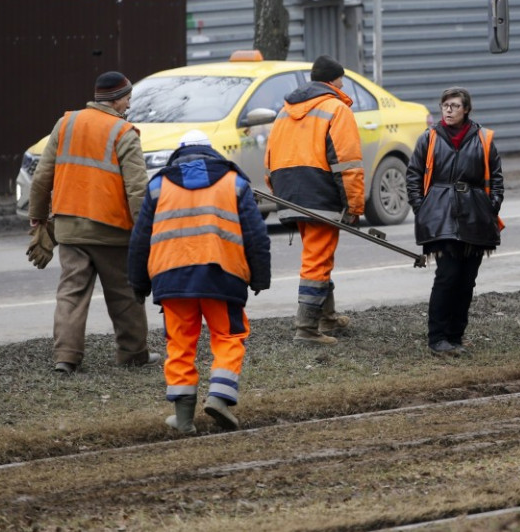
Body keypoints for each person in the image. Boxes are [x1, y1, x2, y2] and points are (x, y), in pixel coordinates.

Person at [128, 130, 272, 433]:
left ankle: (182, 419)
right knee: (228, 338)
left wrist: (139, 283)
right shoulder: (234, 182)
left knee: (179, 344)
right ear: (213, 153)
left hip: (172, 279)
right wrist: (260, 277)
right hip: (223, 276)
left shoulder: (158, 185)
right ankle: (219, 398)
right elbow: (256, 235)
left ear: (178, 154)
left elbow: (140, 239)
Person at [28, 71, 158, 374]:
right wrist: (143, 232)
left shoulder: (66, 124)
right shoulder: (124, 132)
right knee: (125, 293)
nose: (128, 104)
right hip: (112, 230)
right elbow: (137, 189)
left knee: (71, 293)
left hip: (70, 228)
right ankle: (132, 353)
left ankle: (66, 358)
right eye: (127, 97)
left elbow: (42, 176)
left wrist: (37, 217)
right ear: (116, 100)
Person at [265, 55, 364, 345]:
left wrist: (279, 193)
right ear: (334, 81)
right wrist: (355, 206)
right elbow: (347, 164)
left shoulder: (284, 112)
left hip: (290, 193)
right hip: (321, 191)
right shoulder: (336, 109)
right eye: (342, 80)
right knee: (317, 260)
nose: (343, 85)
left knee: (317, 254)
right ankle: (306, 329)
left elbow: (269, 159)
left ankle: (327, 317)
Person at [405, 87, 503, 356]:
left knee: (467, 279)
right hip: (440, 217)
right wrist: (421, 207)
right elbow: (413, 175)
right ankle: (437, 338)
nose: (449, 110)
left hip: (476, 217)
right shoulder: (429, 138)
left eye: (455, 106)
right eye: (445, 105)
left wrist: (490, 206)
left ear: (466, 109)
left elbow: (496, 178)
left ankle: (456, 336)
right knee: (447, 277)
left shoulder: (483, 138)